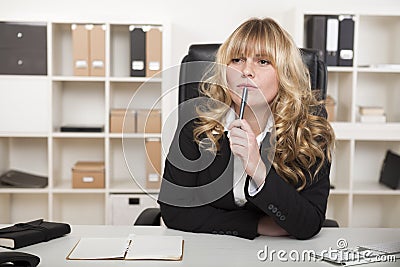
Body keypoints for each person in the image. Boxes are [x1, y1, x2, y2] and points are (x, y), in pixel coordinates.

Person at [158, 17, 335, 240]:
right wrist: (256, 225)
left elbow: (308, 223)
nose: (247, 71)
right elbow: (174, 210)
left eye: (263, 62)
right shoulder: (197, 121)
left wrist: (258, 169)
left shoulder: (310, 128)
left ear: (285, 73)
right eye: (237, 60)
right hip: (211, 250)